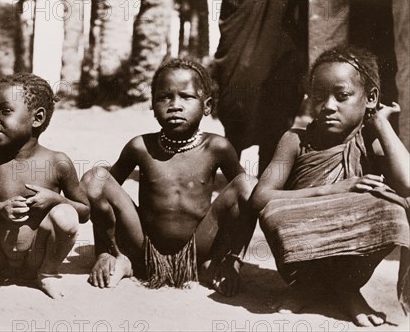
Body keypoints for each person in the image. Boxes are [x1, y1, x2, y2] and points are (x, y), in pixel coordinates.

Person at [251, 46, 410, 327]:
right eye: (319, 96)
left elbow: (408, 183)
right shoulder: (295, 140)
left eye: (342, 96)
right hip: (301, 256)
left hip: (351, 255)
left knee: (395, 210)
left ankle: (347, 288)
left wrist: (381, 124)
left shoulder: (370, 144)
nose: (328, 105)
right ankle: (306, 286)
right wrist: (332, 191)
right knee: (276, 211)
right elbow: (260, 197)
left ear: (370, 98)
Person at [80, 59, 257, 294]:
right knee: (96, 178)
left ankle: (218, 264)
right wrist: (103, 250)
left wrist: (232, 259)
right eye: (164, 97)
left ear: (207, 106)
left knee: (248, 185)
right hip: (144, 245)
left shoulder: (217, 147)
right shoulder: (140, 146)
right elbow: (101, 197)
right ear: (153, 106)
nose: (175, 105)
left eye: (186, 96)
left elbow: (247, 201)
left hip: (198, 248)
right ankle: (118, 257)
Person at [0, 73, 89, 299]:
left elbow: (83, 211)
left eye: (5, 111)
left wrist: (56, 199)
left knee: (65, 214)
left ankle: (47, 274)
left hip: (37, 256)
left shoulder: (58, 162)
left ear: (37, 118)